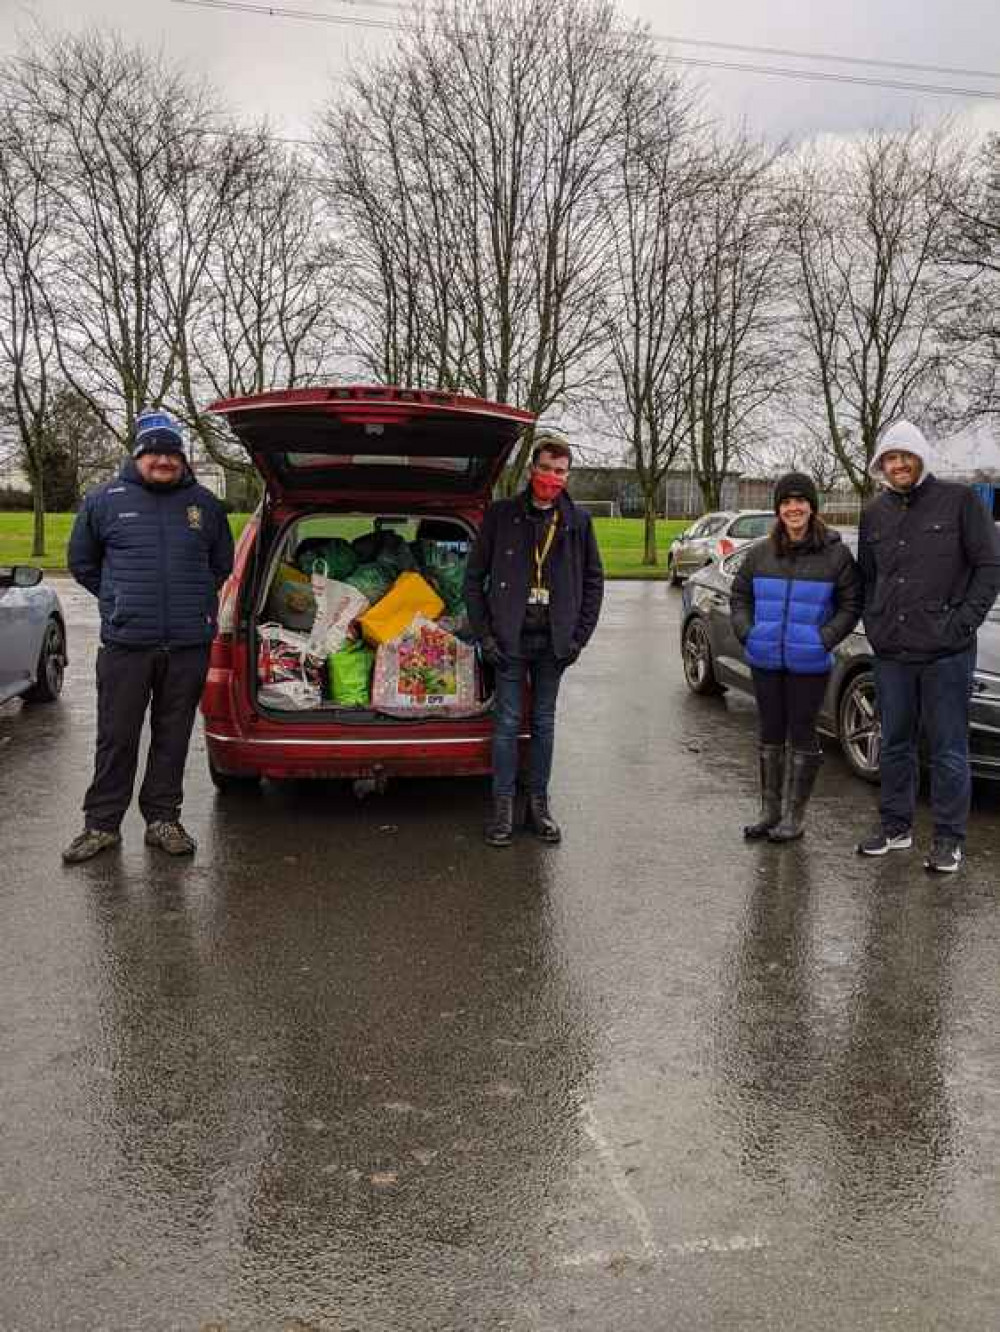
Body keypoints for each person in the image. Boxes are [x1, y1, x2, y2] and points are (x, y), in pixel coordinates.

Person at [62, 409, 234, 863]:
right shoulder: (104, 501)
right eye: (154, 451)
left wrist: (191, 601)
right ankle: (101, 825)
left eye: (172, 452)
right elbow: (82, 564)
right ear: (138, 455)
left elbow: (221, 566)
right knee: (116, 737)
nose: (164, 459)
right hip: (126, 645)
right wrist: (120, 599)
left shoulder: (205, 506)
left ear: (183, 458)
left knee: (173, 735)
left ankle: (163, 819)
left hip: (187, 645)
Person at [855, 419, 1000, 873]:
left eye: (905, 456)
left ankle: (948, 839)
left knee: (948, 749)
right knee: (894, 742)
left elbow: (989, 566)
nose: (898, 465)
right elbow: (868, 578)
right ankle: (896, 827)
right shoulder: (873, 513)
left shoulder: (960, 502)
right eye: (890, 459)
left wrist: (961, 625)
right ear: (882, 466)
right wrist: (874, 624)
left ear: (920, 458)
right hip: (893, 651)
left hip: (945, 654)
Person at [464, 432, 604, 847]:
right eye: (545, 468)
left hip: (555, 644)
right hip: (508, 642)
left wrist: (579, 638)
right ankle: (503, 808)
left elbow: (594, 582)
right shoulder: (501, 515)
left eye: (559, 471)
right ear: (532, 470)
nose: (551, 477)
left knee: (543, 723)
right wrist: (485, 636)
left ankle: (539, 808)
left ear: (567, 475)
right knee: (506, 725)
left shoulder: (578, 522)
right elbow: (474, 580)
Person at [731, 471, 862, 843]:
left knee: (802, 732)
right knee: (770, 730)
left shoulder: (835, 554)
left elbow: (851, 604)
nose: (793, 508)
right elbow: (740, 597)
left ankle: (794, 816)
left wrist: (824, 639)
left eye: (799, 501)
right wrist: (748, 633)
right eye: (786, 502)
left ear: (812, 506)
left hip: (810, 662)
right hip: (766, 657)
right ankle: (769, 811)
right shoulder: (760, 553)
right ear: (778, 509)